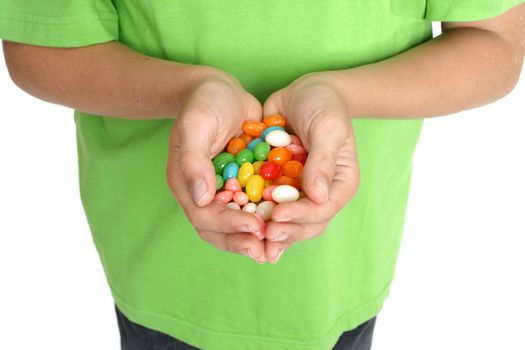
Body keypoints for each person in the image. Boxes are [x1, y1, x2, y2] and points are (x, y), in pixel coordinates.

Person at [1, 1, 524, 349]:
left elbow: (495, 40)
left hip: (339, 271)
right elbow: (38, 42)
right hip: (163, 273)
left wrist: (341, 96)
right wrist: (187, 91)